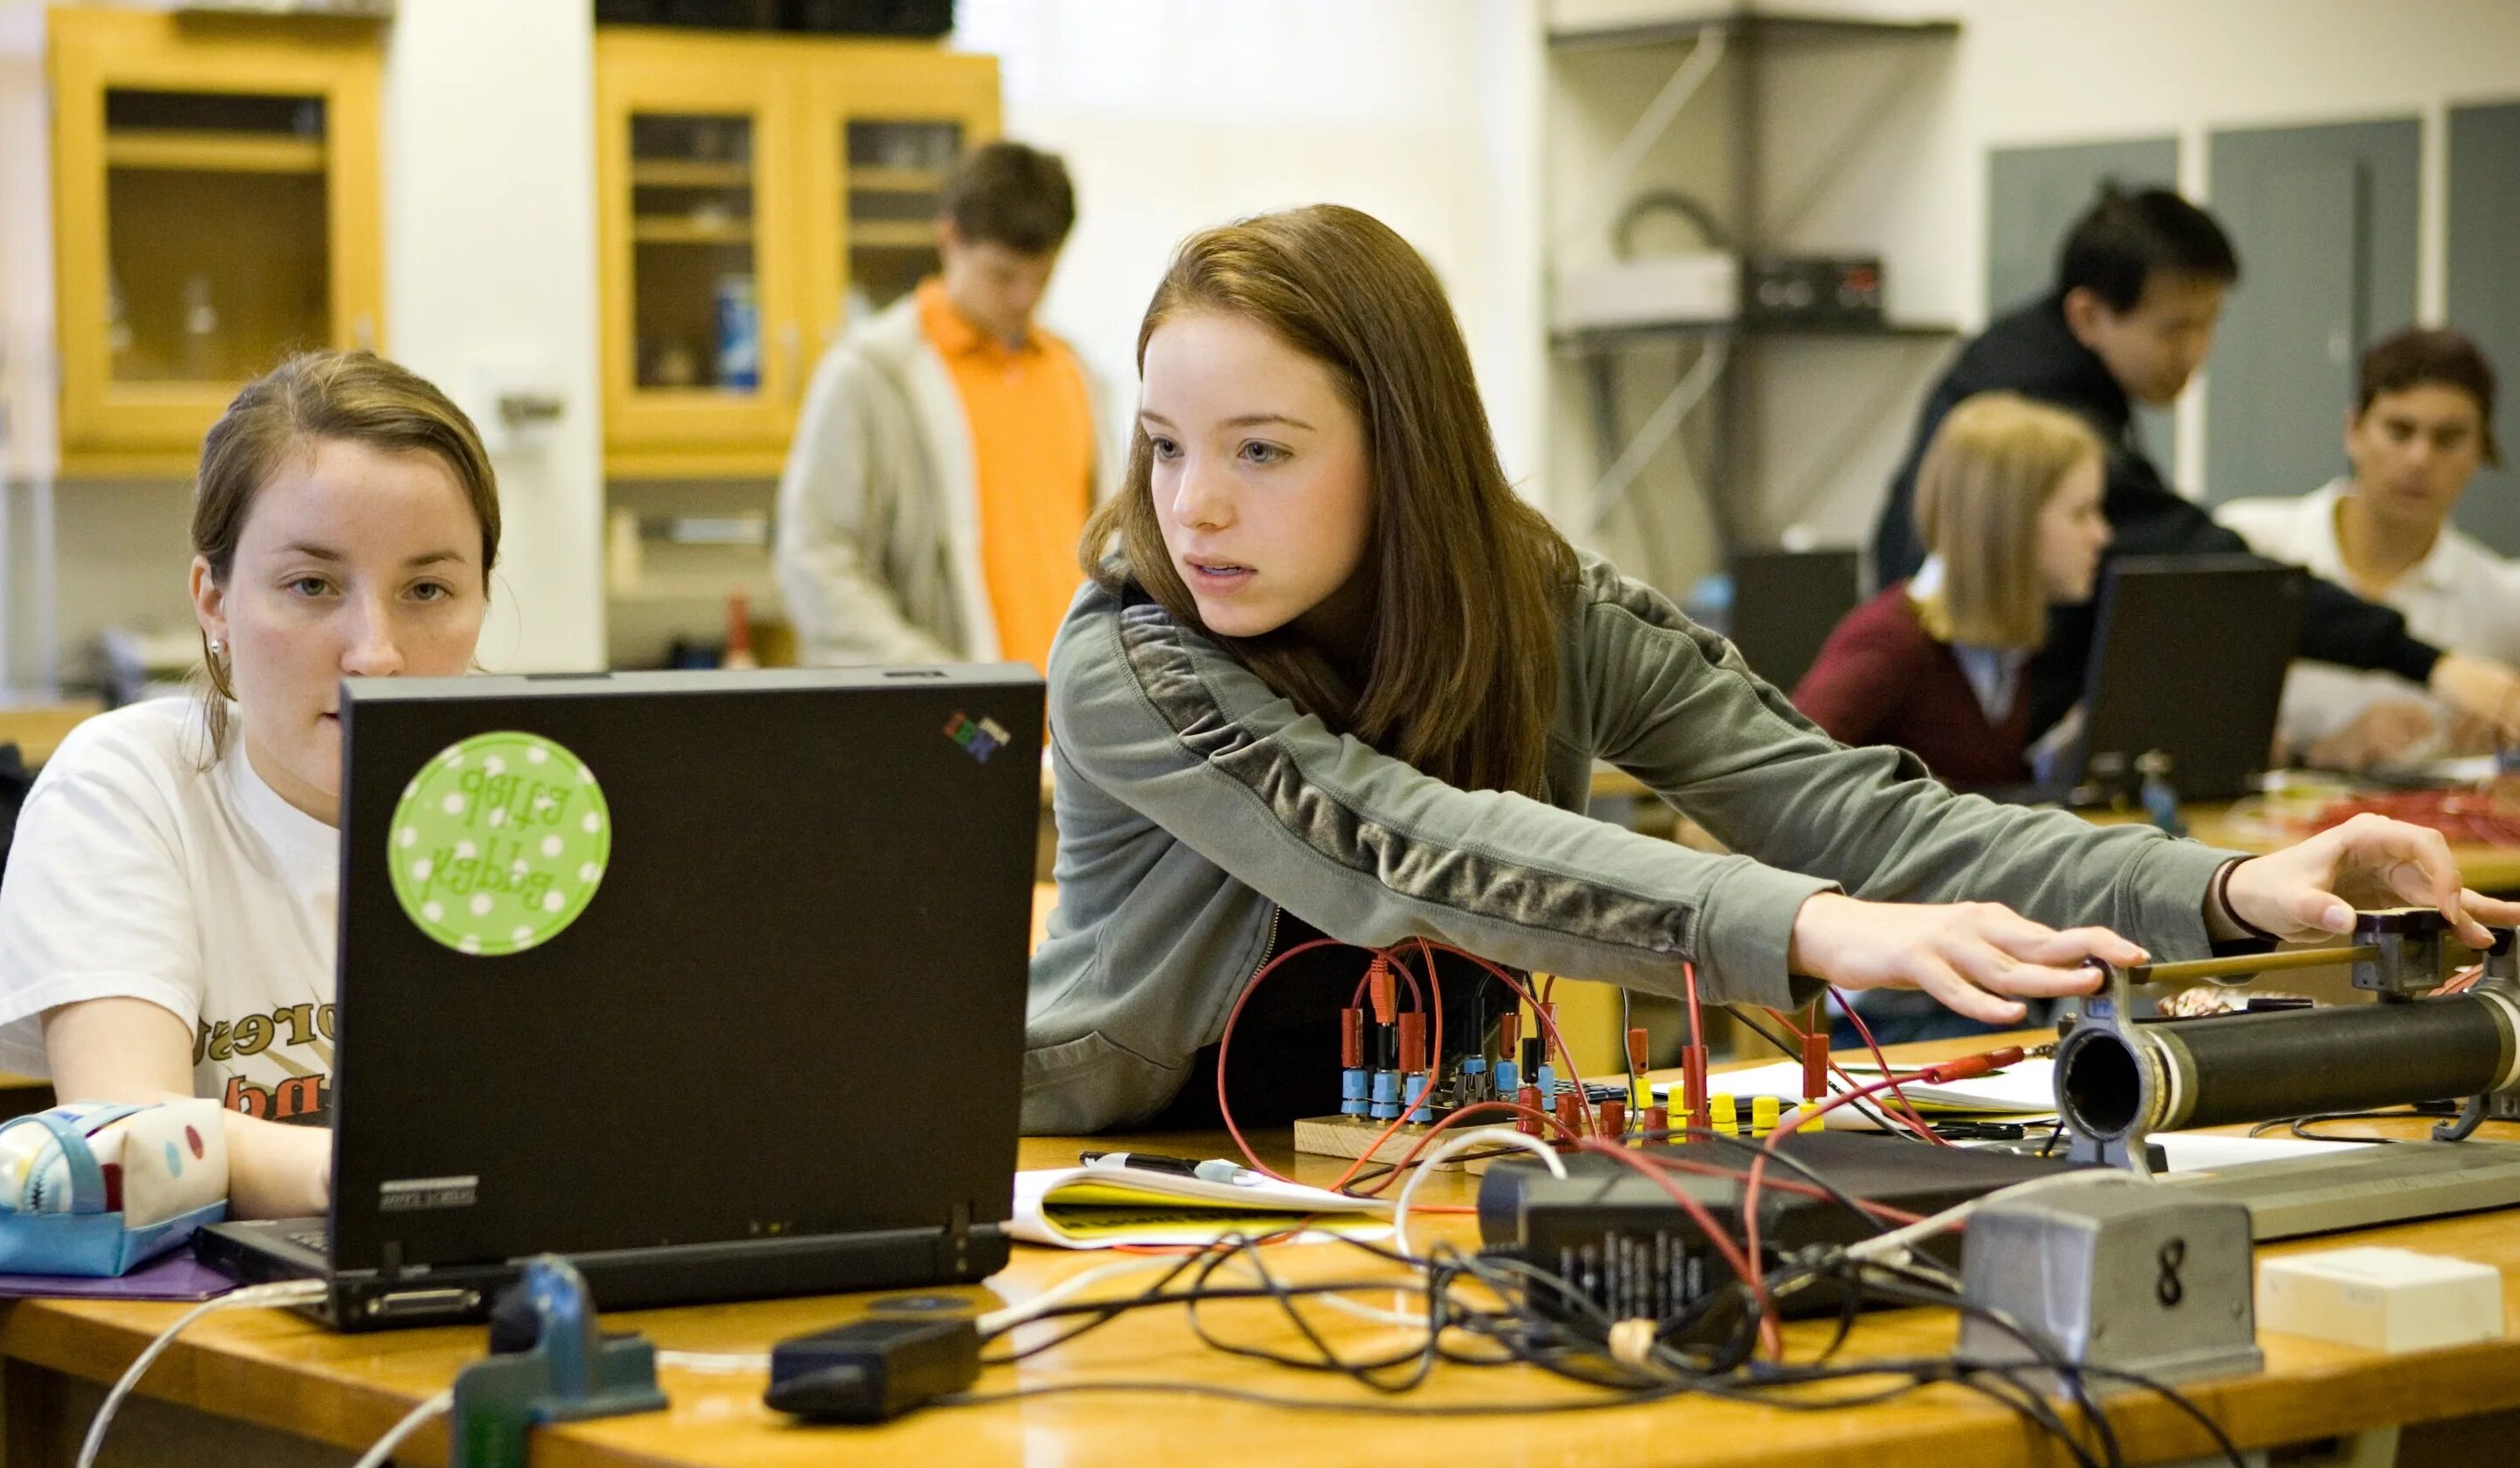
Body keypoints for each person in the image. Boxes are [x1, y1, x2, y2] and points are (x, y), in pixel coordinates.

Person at [1021, 204, 2517, 1134]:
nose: (1193, 504)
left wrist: (2223, 893)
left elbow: (1863, 811)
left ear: (1403, 455)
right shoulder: (1128, 656)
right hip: (1113, 1174)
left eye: (1259, 451)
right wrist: (1811, 928)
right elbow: (1409, 848)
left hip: (1421, 1168)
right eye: (1164, 446)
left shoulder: (1539, 603)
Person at [0, 352, 489, 1468]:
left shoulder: (536, 794)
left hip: (513, 1429)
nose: (377, 651)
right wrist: (410, 1174)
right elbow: (127, 1136)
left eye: (430, 590)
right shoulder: (131, 784)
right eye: (311, 586)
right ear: (212, 602)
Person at [1873, 184, 2520, 746]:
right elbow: (2210, 571)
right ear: (2089, 314)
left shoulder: (2018, 355)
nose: (2197, 352)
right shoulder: (2041, 405)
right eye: (2175, 329)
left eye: (2210, 324)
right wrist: (2428, 663)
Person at [779, 139, 1120, 667]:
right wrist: (939, 684)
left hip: (1073, 725)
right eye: (1003, 276)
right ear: (948, 240)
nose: (1024, 299)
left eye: (1042, 276)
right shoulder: (869, 377)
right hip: (957, 724)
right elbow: (816, 565)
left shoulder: (1078, 375)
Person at [2220, 326, 2520, 770]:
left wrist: (2505, 749)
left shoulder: (2503, 603)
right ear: (2353, 430)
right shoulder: (2249, 544)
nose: (2420, 458)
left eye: (2448, 438)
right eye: (2399, 431)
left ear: (2480, 450)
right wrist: (2314, 754)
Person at [1795, 393, 2108, 789]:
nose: (2101, 534)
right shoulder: (1892, 642)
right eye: (2081, 514)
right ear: (2010, 524)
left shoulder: (2003, 648)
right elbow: (1785, 782)